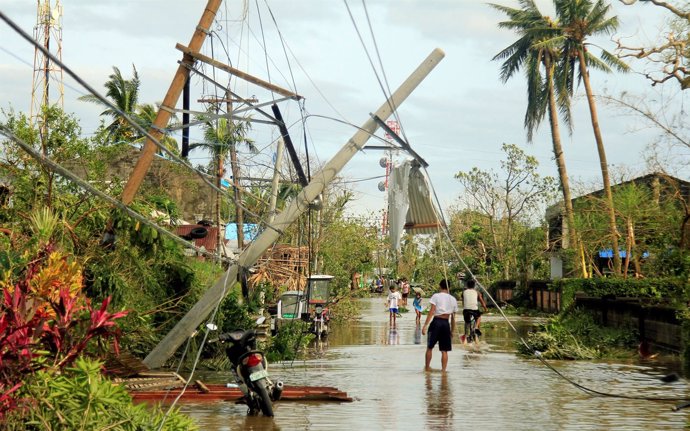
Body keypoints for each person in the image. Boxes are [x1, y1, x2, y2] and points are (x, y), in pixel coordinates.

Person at [422, 279, 458, 372]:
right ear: (449, 287)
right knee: (444, 350)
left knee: (430, 347)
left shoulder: (436, 296)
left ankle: (427, 368)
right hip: (446, 323)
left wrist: (425, 325)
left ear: (440, 286)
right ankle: (443, 371)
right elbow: (453, 318)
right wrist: (452, 331)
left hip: (437, 322)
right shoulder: (453, 299)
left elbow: (431, 311)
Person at [462, 278, 487, 343]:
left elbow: (463, 302)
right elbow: (482, 302)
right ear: (474, 286)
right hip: (474, 310)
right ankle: (476, 327)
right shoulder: (477, 292)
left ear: (467, 285)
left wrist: (464, 307)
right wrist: (485, 309)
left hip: (466, 310)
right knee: (479, 317)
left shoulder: (464, 292)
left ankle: (466, 336)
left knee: (467, 322)